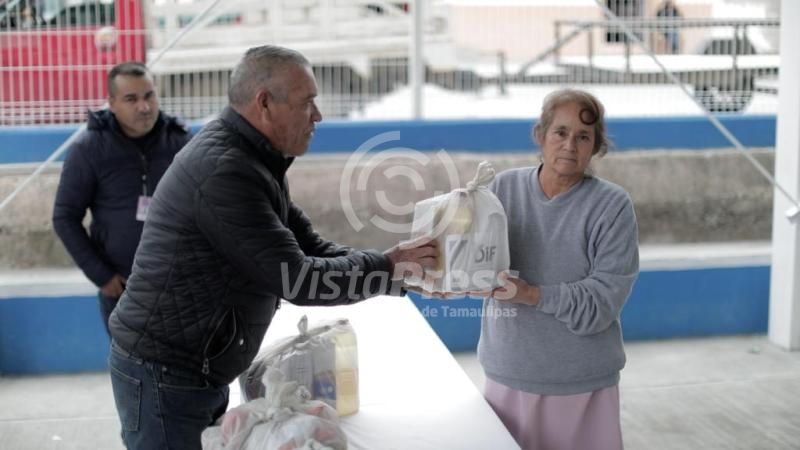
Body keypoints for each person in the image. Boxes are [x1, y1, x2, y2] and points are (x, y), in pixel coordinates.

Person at [106, 45, 437, 450]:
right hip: (166, 375)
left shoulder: (253, 158)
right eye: (307, 103)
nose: (317, 115)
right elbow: (297, 279)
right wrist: (386, 268)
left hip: (188, 369)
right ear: (264, 103)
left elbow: (309, 246)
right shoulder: (226, 171)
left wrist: (397, 271)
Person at [478, 89, 639, 450]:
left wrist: (531, 294)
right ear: (541, 135)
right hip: (507, 375)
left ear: (596, 146)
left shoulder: (612, 206)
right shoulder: (502, 188)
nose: (570, 145)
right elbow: (477, 265)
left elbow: (602, 302)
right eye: (560, 132)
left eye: (583, 137)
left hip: (582, 386)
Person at [53, 62, 191, 336]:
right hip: (123, 290)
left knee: (188, 361)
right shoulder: (90, 149)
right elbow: (65, 217)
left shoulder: (181, 142)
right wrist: (102, 276)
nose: (144, 107)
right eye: (131, 99)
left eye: (149, 95)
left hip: (180, 287)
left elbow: (206, 206)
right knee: (133, 362)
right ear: (112, 103)